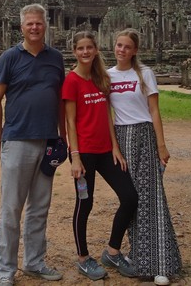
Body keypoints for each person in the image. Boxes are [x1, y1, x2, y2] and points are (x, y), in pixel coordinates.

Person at [0, 4, 66, 286]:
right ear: (21, 27)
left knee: (40, 207)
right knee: (11, 208)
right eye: (30, 24)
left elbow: (60, 101)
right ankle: (5, 271)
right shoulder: (9, 57)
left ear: (46, 25)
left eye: (39, 23)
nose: (35, 28)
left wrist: (63, 137)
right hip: (17, 139)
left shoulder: (55, 58)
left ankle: (34, 262)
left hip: (47, 140)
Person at [108, 28, 182, 286]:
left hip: (144, 135)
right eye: (119, 45)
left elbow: (154, 110)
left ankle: (161, 262)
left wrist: (161, 145)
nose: (122, 50)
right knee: (132, 199)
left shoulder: (145, 73)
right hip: (121, 139)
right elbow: (107, 114)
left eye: (127, 47)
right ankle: (139, 259)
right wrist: (114, 146)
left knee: (152, 197)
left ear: (135, 50)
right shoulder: (107, 76)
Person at [64, 31, 138, 281]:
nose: (85, 52)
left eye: (89, 48)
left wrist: (115, 147)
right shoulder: (71, 81)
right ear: (74, 51)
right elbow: (71, 123)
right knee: (85, 203)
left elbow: (108, 115)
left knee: (129, 197)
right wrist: (75, 157)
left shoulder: (100, 78)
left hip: (106, 151)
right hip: (83, 153)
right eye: (80, 48)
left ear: (96, 50)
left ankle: (112, 251)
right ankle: (83, 258)